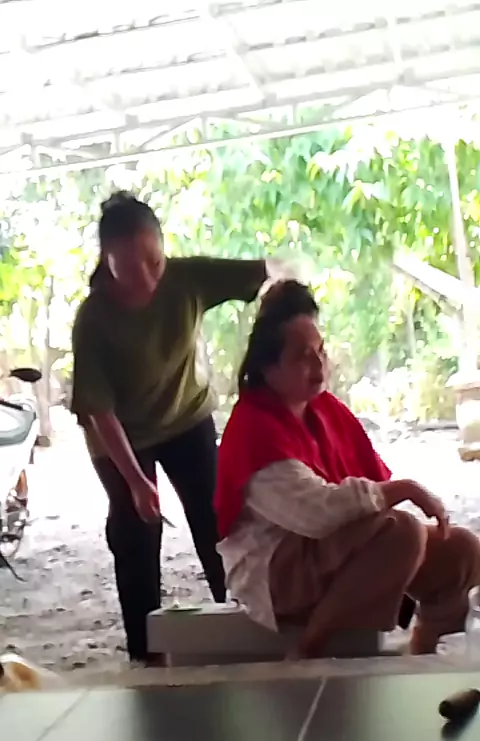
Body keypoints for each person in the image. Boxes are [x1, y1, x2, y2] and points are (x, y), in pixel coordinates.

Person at [215, 280, 480, 658]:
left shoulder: (326, 410)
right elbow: (318, 514)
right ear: (268, 368)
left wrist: (396, 498)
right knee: (402, 533)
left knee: (463, 551)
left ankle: (421, 647)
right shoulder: (253, 429)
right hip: (275, 572)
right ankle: (310, 649)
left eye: (320, 351)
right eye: (302, 356)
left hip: (333, 547)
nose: (318, 365)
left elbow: (368, 492)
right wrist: (406, 489)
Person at [71, 191, 276, 663]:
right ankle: (146, 651)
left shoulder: (187, 278)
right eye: (128, 267)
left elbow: (267, 271)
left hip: (185, 416)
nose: (145, 278)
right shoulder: (94, 318)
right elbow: (100, 412)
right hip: (120, 436)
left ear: (165, 249)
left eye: (154, 262)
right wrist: (136, 482)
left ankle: (242, 617)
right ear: (106, 260)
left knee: (217, 516)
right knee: (136, 531)